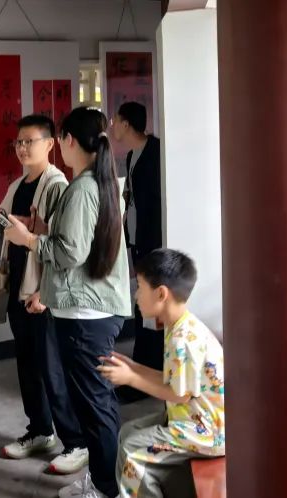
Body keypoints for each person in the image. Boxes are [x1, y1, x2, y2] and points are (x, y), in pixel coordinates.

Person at [4, 107, 131, 493]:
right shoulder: (99, 182)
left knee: (92, 404)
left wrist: (29, 239)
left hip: (84, 312)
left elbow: (69, 253)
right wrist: (44, 230)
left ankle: (105, 487)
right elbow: (80, 242)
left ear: (65, 141)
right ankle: (106, 481)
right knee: (97, 401)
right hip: (94, 307)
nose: (23, 147)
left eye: (55, 139)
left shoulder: (79, 187)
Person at [95, 249, 225, 498]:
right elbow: (173, 382)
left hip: (207, 432)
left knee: (132, 451)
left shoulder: (182, 339)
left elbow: (179, 394)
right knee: (127, 433)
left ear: (161, 293)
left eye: (140, 287)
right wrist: (133, 367)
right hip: (192, 419)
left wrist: (131, 378)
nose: (136, 295)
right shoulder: (179, 326)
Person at [0, 115, 79, 467]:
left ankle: (75, 441)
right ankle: (41, 431)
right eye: (19, 142)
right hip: (18, 288)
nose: (23, 148)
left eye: (30, 141)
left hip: (42, 294)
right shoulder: (17, 186)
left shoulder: (56, 186)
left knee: (52, 369)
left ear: (50, 144)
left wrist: (45, 292)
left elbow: (62, 248)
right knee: (27, 365)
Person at [112, 102, 164, 403]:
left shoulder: (155, 152)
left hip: (153, 244)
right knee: (142, 308)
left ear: (127, 124)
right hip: (139, 243)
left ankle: (146, 378)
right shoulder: (132, 155)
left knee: (150, 310)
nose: (112, 127)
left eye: (115, 121)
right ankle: (142, 375)